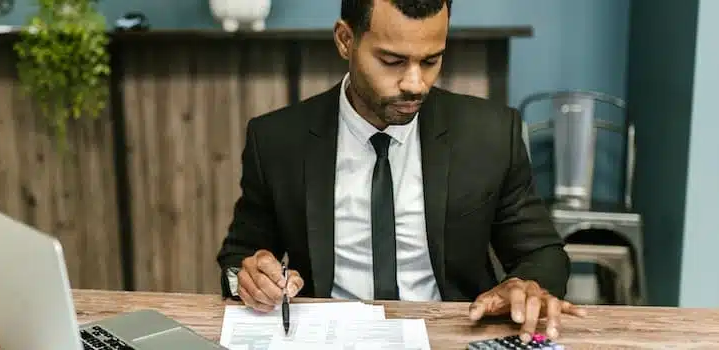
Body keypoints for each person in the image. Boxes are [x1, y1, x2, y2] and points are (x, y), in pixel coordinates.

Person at [216, 0, 586, 343]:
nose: (415, 83)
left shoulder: (490, 134)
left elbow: (543, 252)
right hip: (327, 339)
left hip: (453, 335)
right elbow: (238, 259)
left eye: (431, 61)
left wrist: (526, 283)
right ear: (346, 40)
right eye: (392, 61)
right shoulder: (278, 140)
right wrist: (250, 279)